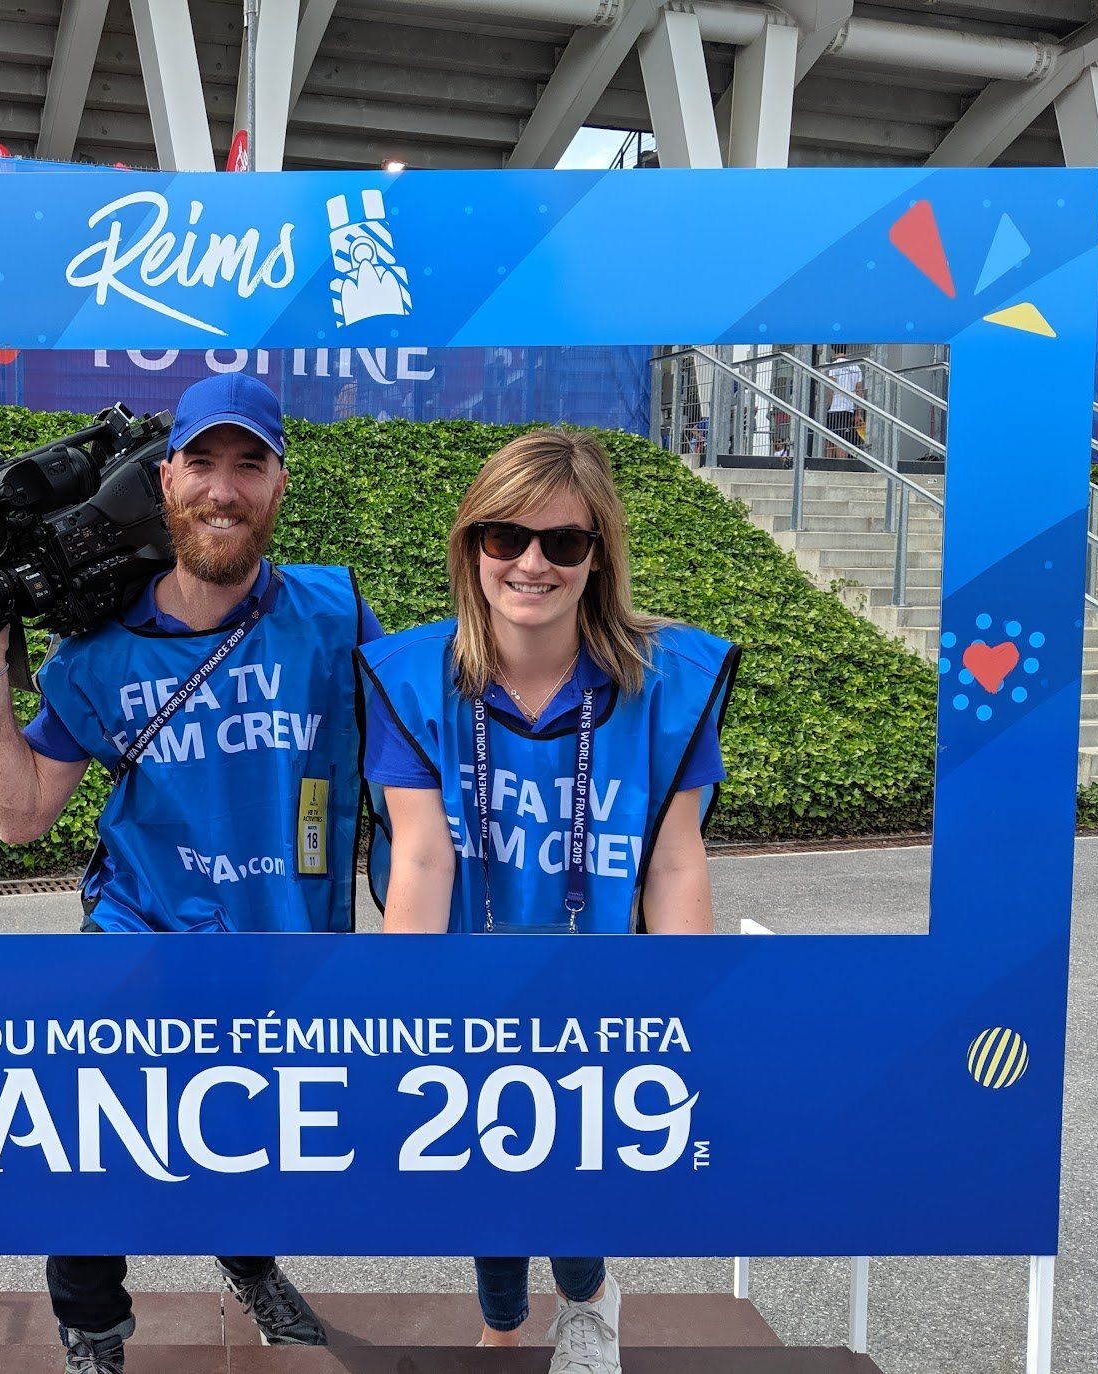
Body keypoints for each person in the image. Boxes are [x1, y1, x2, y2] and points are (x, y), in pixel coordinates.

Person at [0, 372, 383, 1373]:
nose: (223, 489)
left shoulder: (334, 611)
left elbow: (425, 732)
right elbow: (20, 817)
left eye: (248, 465)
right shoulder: (99, 653)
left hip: (282, 941)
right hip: (142, 935)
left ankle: (249, 1263)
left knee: (244, 1129)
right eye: (204, 464)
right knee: (94, 1134)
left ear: (277, 486)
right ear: (167, 478)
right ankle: (91, 1327)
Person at [355, 429, 738, 1374]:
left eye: (562, 543)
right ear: (470, 545)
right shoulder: (414, 679)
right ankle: (499, 1324)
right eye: (505, 538)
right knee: (481, 1169)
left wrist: (681, 1006)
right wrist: (407, 1003)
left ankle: (587, 1297)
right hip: (473, 959)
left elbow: (675, 861)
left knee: (571, 1172)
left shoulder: (668, 684)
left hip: (593, 969)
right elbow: (421, 855)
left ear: (597, 554)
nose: (532, 563)